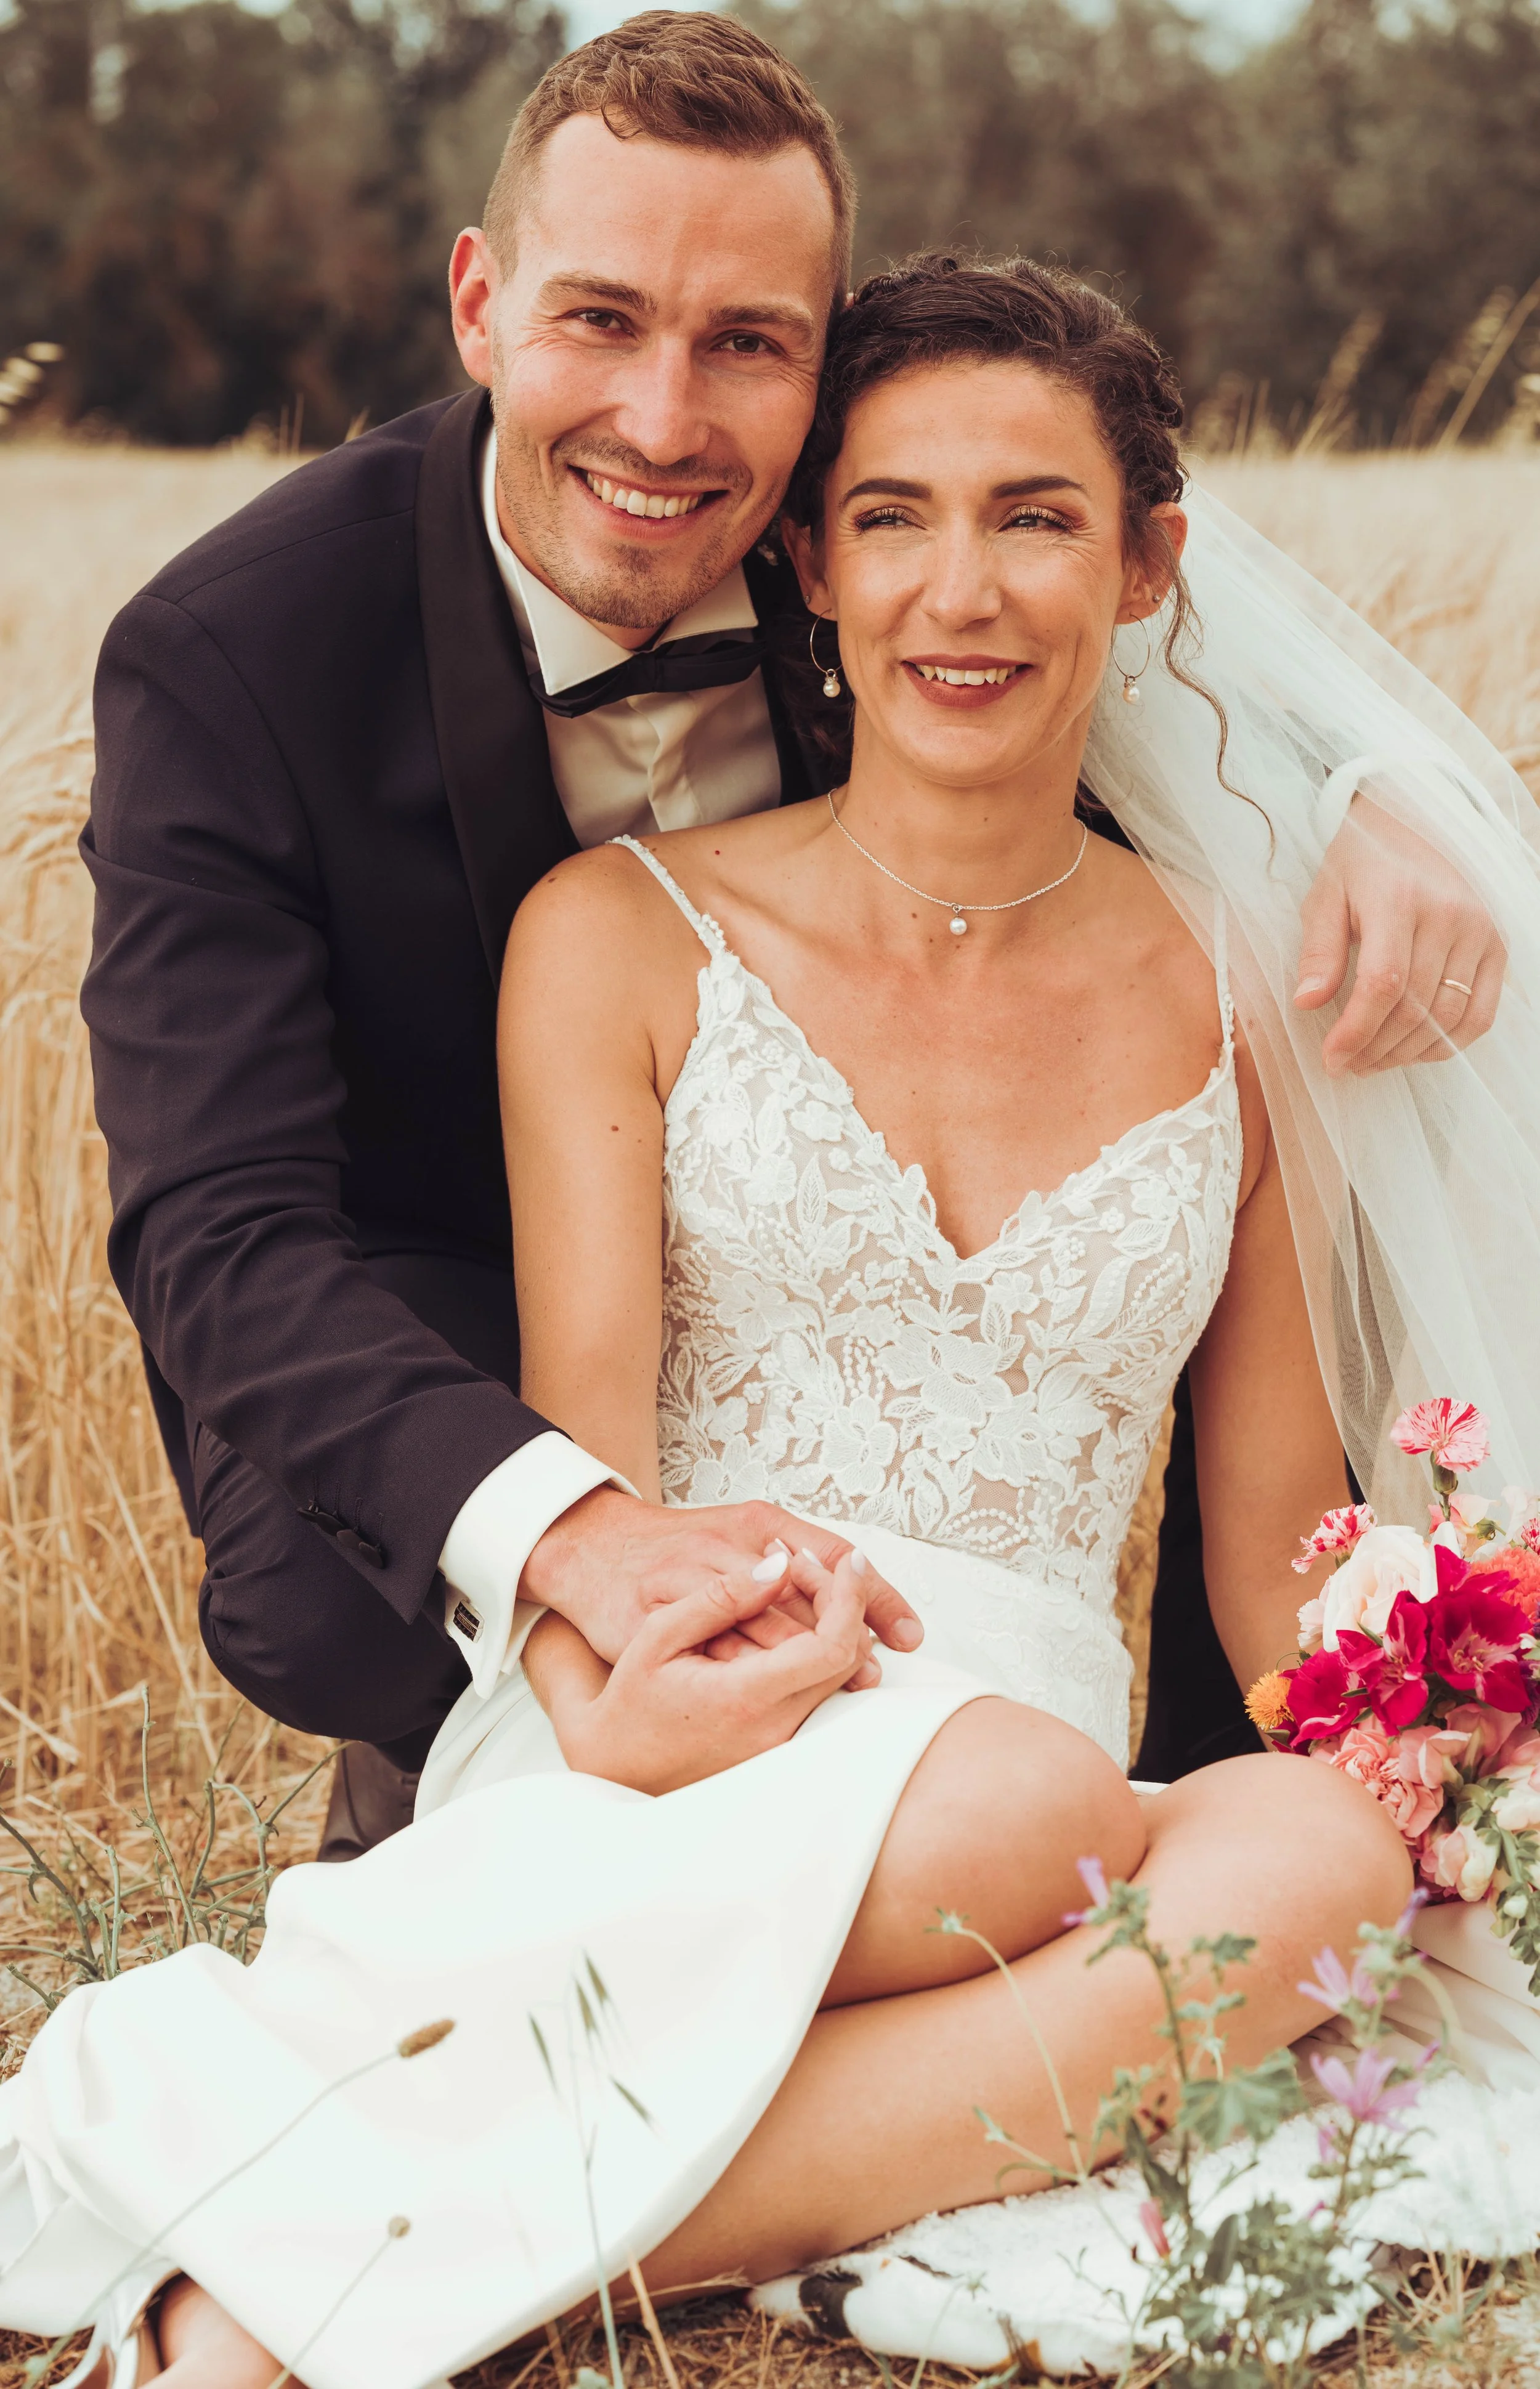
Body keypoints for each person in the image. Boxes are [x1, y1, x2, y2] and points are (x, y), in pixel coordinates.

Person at [15, 249, 1540, 2389]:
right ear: (811, 559)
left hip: (1031, 1754)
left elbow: (1270, 1547)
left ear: (1145, 565)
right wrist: (608, 1665)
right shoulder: (615, 940)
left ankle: (338, 2253)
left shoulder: (1237, 997)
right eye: (897, 516)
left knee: (1305, 1851)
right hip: (698, 1696)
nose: (964, 592)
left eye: (1037, 520)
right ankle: (422, 2215)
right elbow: (587, 1444)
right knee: (1033, 1815)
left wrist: (1430, 1734)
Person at [79, 12, 1506, 1854]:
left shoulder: (877, 528)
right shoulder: (238, 657)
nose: (666, 423)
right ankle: (455, 1858)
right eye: (598, 318)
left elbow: (1144, 604)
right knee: (442, 1682)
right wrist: (580, 1548)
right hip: (466, 1332)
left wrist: (1365, 789)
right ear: (477, 303)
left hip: (1025, 1651)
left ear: (818, 364)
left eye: (745, 343)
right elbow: (223, 1231)